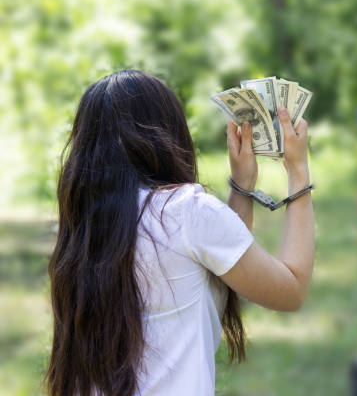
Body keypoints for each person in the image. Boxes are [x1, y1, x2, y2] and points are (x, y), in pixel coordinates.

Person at [45, 70, 315, 396]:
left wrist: (242, 187)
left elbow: (222, 268)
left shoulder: (83, 232)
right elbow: (292, 290)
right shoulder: (186, 211)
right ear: (167, 134)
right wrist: (298, 171)